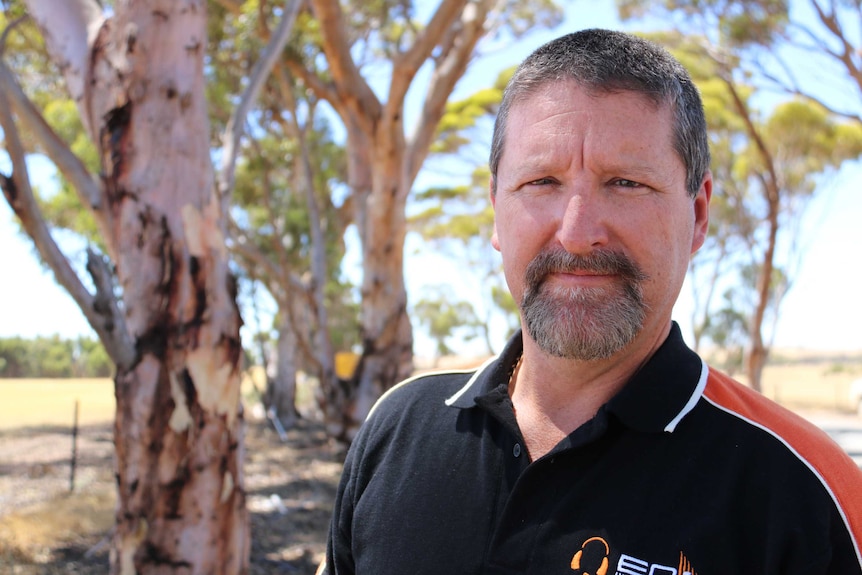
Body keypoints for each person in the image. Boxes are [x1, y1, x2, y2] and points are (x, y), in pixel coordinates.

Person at [319, 29, 862, 575]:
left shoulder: (812, 499)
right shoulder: (397, 429)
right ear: (495, 212)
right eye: (541, 181)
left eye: (625, 182)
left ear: (697, 215)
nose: (578, 234)